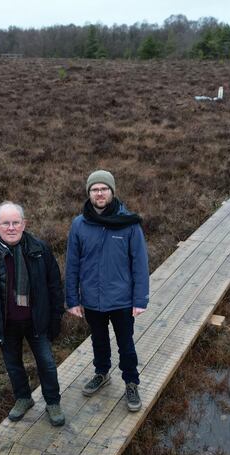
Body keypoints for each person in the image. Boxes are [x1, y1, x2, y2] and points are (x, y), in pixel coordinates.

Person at [0, 201, 66, 426]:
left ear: (24, 224)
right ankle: (23, 398)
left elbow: (54, 286)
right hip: (5, 324)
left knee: (47, 363)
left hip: (36, 321)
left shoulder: (40, 249)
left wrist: (56, 317)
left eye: (15, 222)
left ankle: (53, 402)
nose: (11, 228)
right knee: (13, 364)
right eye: (6, 223)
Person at [65, 170, 149, 412]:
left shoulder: (129, 224)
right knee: (98, 340)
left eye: (104, 189)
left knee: (126, 344)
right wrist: (72, 299)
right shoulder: (79, 224)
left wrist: (140, 298)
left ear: (112, 192)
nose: (99, 193)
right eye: (94, 189)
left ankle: (131, 382)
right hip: (91, 299)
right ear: (89, 194)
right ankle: (101, 373)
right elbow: (72, 264)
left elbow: (140, 263)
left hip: (122, 299)